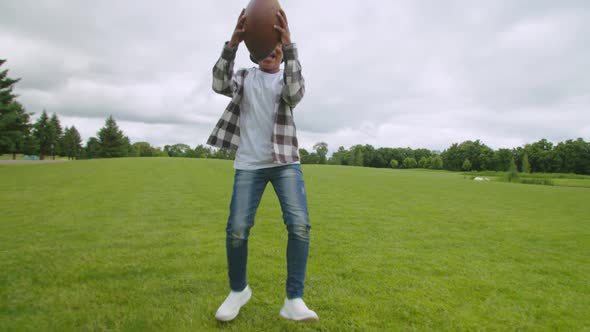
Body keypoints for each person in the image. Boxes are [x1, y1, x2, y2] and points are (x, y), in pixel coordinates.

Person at [207, 8, 318, 322]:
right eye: (266, 49)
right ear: (255, 52)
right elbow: (218, 83)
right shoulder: (244, 77)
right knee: (237, 231)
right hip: (249, 165)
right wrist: (233, 43)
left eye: (276, 49)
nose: (271, 53)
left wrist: (290, 45)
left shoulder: (287, 79)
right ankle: (238, 290)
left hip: (286, 163)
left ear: (282, 54)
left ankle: (294, 300)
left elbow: (296, 94)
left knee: (299, 226)